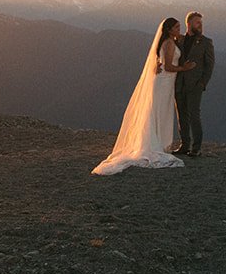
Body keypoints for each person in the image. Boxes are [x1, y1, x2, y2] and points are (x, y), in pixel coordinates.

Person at [91, 17, 194, 175]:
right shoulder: (169, 43)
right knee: (160, 111)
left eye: (179, 26)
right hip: (164, 82)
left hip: (164, 82)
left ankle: (158, 141)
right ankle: (157, 143)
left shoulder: (167, 41)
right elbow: (168, 66)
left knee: (158, 111)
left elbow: (160, 61)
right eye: (176, 27)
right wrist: (184, 68)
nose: (178, 29)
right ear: (169, 30)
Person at [170, 11, 214, 157]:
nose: (200, 25)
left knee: (194, 115)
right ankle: (184, 145)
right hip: (179, 84)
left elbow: (210, 65)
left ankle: (196, 148)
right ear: (188, 24)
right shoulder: (179, 40)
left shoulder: (206, 42)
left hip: (195, 85)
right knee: (181, 115)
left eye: (201, 23)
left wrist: (202, 83)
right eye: (197, 22)